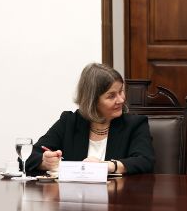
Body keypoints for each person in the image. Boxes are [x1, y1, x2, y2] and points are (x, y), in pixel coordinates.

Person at [25, 63, 155, 175]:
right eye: (111, 96)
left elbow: (145, 161)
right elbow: (27, 156)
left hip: (118, 198)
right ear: (92, 101)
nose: (121, 100)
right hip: (74, 199)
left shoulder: (135, 124)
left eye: (121, 91)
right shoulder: (69, 122)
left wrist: (107, 166)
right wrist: (45, 162)